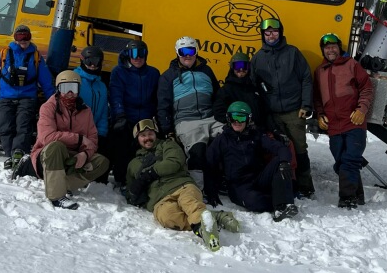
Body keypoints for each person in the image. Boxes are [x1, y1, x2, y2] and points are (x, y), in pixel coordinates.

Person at [125, 118, 239, 251]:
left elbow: (174, 162)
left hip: (181, 185)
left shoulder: (168, 145)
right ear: (137, 139)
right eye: (143, 135)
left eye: (150, 134)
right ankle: (215, 217)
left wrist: (151, 172)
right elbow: (130, 189)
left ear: (156, 134)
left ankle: (203, 230)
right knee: (168, 217)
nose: (147, 138)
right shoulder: (133, 164)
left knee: (190, 203)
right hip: (159, 199)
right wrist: (135, 193)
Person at [250, 17, 315, 197]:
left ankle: (305, 185)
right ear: (263, 35)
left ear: (280, 33)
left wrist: (305, 104)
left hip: (294, 111)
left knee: (300, 149)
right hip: (272, 114)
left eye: (274, 32)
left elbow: (306, 78)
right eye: (267, 32)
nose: (271, 35)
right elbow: (253, 86)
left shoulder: (292, 53)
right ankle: (286, 185)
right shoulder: (258, 58)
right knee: (280, 151)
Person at [30, 70, 110, 209]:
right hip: (48, 154)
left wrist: (84, 154)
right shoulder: (48, 108)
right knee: (56, 146)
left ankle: (62, 184)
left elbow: (92, 140)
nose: (70, 93)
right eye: (65, 88)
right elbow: (46, 137)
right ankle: (56, 196)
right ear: (58, 89)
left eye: (73, 88)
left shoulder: (86, 111)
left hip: (72, 156)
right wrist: (79, 139)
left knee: (101, 162)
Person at [204, 101, 297, 221]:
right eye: (233, 118)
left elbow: (280, 148)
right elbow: (210, 165)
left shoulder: (256, 135)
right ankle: (279, 198)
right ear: (228, 119)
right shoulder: (222, 140)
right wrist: (211, 192)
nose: (237, 122)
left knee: (280, 161)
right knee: (255, 202)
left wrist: (284, 162)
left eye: (241, 118)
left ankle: (283, 207)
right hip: (239, 186)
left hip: (259, 178)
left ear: (248, 119)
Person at [313, 33, 375, 209]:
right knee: (342, 162)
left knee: (349, 159)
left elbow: (367, 88)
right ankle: (358, 195)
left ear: (339, 48)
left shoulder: (351, 65)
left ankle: (346, 199)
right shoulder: (319, 71)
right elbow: (317, 98)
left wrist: (361, 109)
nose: (330, 50)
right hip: (334, 126)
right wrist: (320, 114)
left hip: (353, 123)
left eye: (333, 46)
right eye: (326, 47)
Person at [0, 25, 55, 168]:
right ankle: (9, 154)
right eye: (20, 37)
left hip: (27, 97)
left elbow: (46, 80)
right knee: (4, 126)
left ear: (30, 37)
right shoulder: (4, 54)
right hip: (6, 97)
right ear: (15, 38)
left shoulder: (36, 57)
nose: (23, 40)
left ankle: (18, 152)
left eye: (26, 37)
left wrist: (51, 100)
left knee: (23, 126)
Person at [157, 36, 223, 170]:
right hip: (186, 120)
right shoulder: (168, 76)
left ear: (197, 51)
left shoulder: (207, 71)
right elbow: (163, 105)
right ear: (177, 53)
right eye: (183, 52)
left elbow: (218, 96)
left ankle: (225, 181)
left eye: (191, 51)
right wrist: (168, 131)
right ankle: (197, 188)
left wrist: (221, 115)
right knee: (197, 151)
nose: (187, 56)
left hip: (210, 117)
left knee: (230, 140)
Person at [107, 39, 160, 192]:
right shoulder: (119, 71)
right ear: (128, 55)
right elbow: (116, 94)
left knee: (147, 146)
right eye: (133, 54)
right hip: (127, 114)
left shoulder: (153, 73)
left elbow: (157, 98)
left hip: (145, 117)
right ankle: (121, 177)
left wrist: (156, 118)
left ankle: (144, 177)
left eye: (141, 54)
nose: (137, 58)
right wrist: (119, 114)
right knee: (123, 143)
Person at [75, 44, 109, 183]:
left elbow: (103, 112)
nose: (93, 65)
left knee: (104, 151)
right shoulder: (75, 79)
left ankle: (98, 183)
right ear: (83, 61)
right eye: (89, 61)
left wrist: (101, 132)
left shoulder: (101, 86)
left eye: (97, 62)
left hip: (94, 131)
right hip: (76, 130)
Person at [211, 51, 266, 128]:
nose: (241, 69)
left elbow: (265, 111)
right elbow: (218, 113)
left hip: (259, 131)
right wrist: (239, 123)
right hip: (237, 131)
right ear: (232, 67)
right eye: (237, 66)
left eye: (244, 66)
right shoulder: (225, 90)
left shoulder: (254, 88)